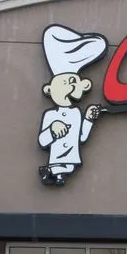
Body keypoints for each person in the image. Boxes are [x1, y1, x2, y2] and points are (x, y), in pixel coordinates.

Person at [38, 25, 108, 186]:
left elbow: (81, 137)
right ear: (49, 89)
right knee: (62, 168)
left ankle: (54, 173)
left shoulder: (76, 113)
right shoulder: (50, 115)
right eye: (65, 82)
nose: (69, 86)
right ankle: (52, 172)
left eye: (72, 82)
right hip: (56, 158)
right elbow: (42, 141)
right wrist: (52, 129)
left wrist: (89, 119)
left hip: (71, 158)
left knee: (67, 168)